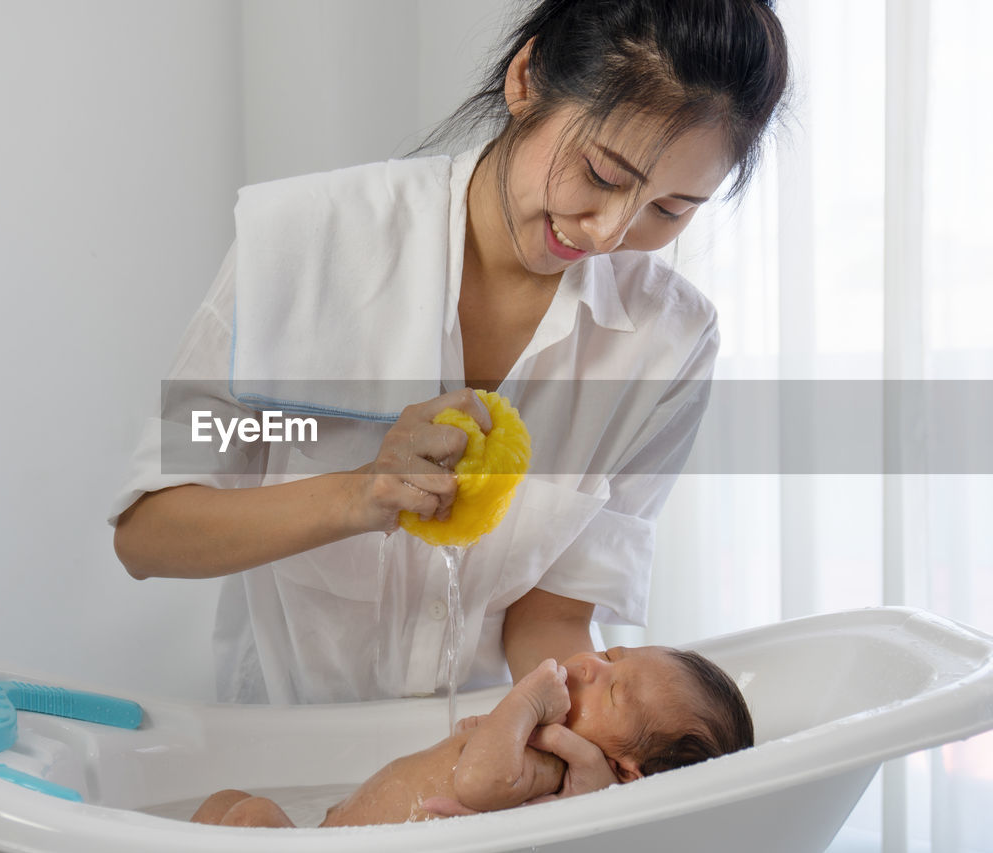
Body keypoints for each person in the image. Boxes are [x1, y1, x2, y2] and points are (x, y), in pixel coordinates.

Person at [111, 0, 788, 749]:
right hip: (283, 754)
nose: (609, 232)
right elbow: (149, 531)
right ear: (526, 79)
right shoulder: (310, 245)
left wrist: (581, 752)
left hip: (482, 764)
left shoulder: (669, 344)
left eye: (669, 209)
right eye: (601, 173)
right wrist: (358, 492)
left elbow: (551, 612)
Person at [190, 646, 754, 827]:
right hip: (333, 831)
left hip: (337, 848)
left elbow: (480, 781)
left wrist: (530, 697)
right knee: (225, 803)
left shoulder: (555, 774)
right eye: (610, 657)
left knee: (249, 816)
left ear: (624, 770)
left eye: (611, 692)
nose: (587, 665)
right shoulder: (537, 750)